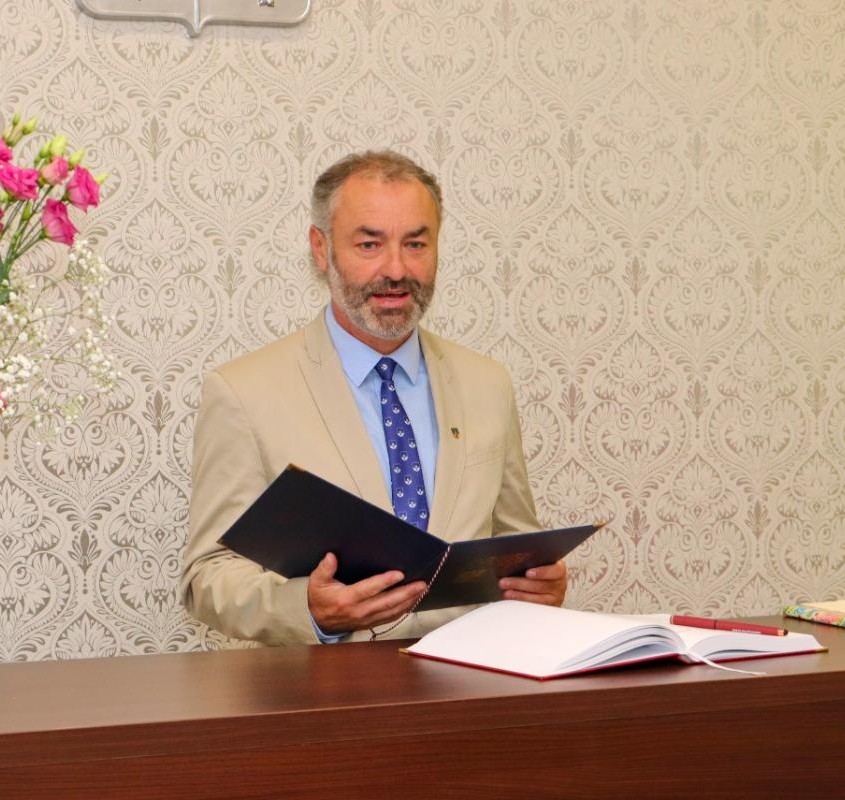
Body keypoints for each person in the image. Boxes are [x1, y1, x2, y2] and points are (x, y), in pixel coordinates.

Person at [180, 150, 567, 645]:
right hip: (324, 690)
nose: (397, 269)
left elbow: (515, 547)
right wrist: (309, 610)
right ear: (321, 249)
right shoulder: (243, 393)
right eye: (369, 244)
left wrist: (538, 584)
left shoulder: (488, 383)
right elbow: (208, 574)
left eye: (416, 243)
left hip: (469, 681)